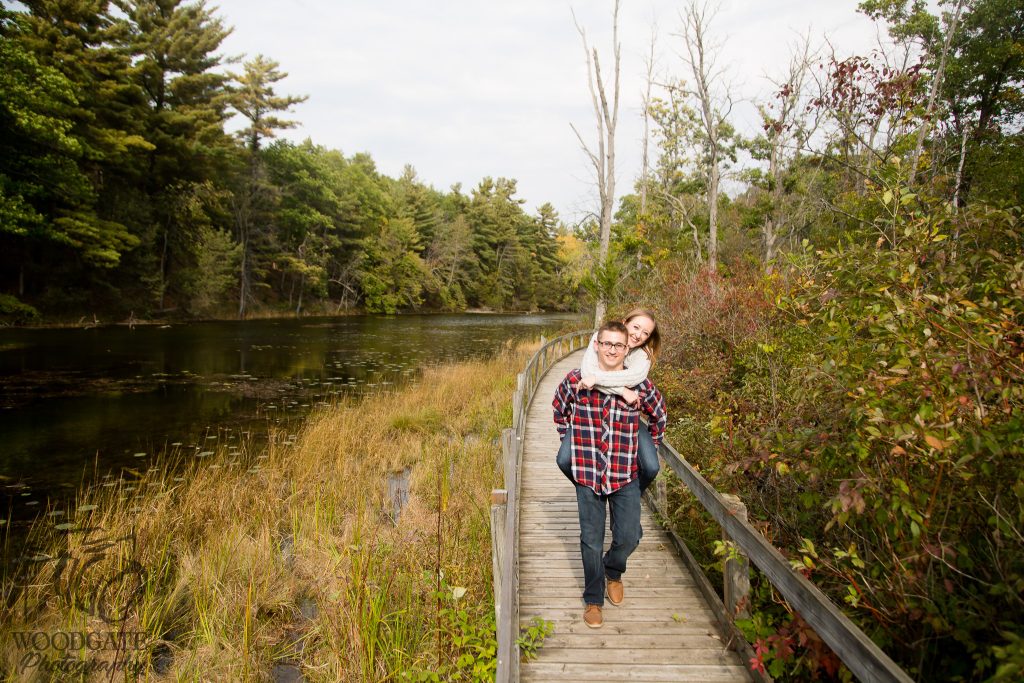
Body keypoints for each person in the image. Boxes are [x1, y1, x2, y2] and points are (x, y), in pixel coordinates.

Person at [552, 320, 667, 629]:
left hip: (623, 474)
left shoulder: (638, 385)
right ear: (597, 345)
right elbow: (559, 407)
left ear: (626, 348)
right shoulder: (578, 379)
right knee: (590, 540)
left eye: (619, 345)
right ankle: (593, 598)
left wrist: (652, 445)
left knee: (630, 536)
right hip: (588, 474)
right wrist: (571, 440)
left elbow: (659, 414)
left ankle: (613, 571)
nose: (613, 350)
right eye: (607, 344)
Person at [556, 309, 662, 492]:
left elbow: (633, 380)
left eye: (646, 333)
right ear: (624, 322)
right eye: (636, 327)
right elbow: (588, 374)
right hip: (591, 416)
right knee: (564, 460)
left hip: (625, 419)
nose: (638, 335)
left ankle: (632, 494)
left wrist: (654, 443)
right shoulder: (601, 338)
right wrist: (622, 390)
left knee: (652, 466)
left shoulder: (643, 356)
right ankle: (589, 487)